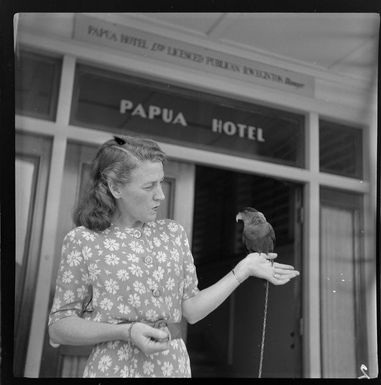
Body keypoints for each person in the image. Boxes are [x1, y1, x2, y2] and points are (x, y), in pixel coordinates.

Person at [48, 135, 300, 378]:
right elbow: (59, 327)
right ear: (115, 187)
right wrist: (127, 331)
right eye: (149, 186)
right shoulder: (82, 240)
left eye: (161, 182)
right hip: (112, 369)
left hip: (172, 368)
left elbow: (191, 309)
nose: (161, 194)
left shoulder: (172, 233)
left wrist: (243, 270)